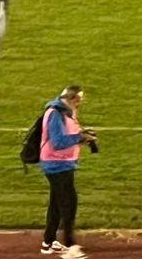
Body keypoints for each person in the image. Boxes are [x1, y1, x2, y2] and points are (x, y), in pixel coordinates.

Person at [39, 85, 96, 259]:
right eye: (78, 100)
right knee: (69, 203)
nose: (80, 103)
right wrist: (80, 137)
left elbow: (68, 135)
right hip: (56, 165)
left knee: (56, 204)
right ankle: (70, 247)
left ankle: (48, 243)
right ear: (70, 98)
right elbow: (57, 141)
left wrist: (84, 135)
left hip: (62, 164)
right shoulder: (56, 113)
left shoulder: (65, 111)